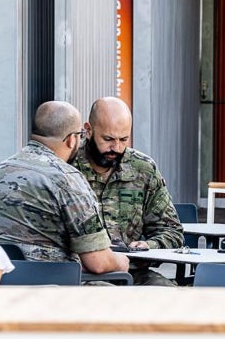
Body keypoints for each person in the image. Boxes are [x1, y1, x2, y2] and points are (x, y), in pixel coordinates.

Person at [0, 101, 129, 276]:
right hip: (49, 288)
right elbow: (98, 262)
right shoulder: (68, 179)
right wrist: (122, 261)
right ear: (71, 139)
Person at [70, 96, 183, 286]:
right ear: (88, 130)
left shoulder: (143, 168)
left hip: (132, 273)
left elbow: (171, 231)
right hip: (81, 275)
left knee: (171, 298)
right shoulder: (67, 167)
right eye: (108, 139)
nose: (116, 147)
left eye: (124, 139)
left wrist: (149, 246)